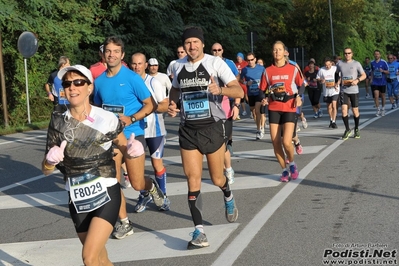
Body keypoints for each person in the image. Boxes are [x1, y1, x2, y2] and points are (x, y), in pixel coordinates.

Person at [42, 64, 146, 265]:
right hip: (77, 197)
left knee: (88, 258)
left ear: (89, 88)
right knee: (100, 258)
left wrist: (134, 151)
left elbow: (125, 148)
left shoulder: (106, 118)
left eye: (78, 82)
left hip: (106, 193)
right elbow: (45, 170)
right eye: (67, 83)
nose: (73, 87)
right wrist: (49, 161)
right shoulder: (58, 121)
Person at [168, 26, 242, 249]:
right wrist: (172, 104)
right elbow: (174, 90)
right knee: (193, 180)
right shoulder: (177, 65)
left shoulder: (215, 63)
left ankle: (227, 194)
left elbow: (239, 91)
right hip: (188, 129)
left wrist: (220, 90)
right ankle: (199, 231)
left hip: (212, 128)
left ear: (202, 43)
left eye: (195, 42)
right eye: (188, 43)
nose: (192, 46)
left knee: (217, 178)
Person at [93, 36, 165, 240]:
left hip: (134, 136)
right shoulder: (98, 82)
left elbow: (151, 104)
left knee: (136, 183)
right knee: (113, 183)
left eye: (116, 51)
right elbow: (98, 110)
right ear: (103, 54)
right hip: (112, 139)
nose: (112, 55)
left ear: (122, 55)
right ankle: (124, 223)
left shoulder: (132, 78)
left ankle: (151, 187)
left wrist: (131, 118)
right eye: (108, 51)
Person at [259, 40, 304, 182]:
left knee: (286, 141)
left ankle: (292, 163)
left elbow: (302, 85)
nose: (277, 52)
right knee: (275, 141)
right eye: (274, 49)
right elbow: (261, 91)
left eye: (279, 49)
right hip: (274, 108)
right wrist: (264, 99)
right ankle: (284, 170)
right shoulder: (267, 71)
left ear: (285, 52)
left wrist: (299, 96)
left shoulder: (293, 68)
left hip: (289, 107)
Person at [131, 53, 170, 212]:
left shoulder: (153, 82)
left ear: (145, 65)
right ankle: (144, 194)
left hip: (155, 130)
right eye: (134, 63)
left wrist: (148, 107)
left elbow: (164, 105)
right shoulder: (128, 82)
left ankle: (163, 196)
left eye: (140, 63)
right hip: (136, 131)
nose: (137, 66)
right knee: (137, 168)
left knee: (156, 164)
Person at [211, 42, 241, 184]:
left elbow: (237, 85)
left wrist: (236, 104)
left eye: (219, 50)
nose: (216, 52)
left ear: (222, 50)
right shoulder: (207, 64)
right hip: (210, 109)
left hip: (226, 105)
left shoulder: (228, 64)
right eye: (214, 50)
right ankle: (221, 169)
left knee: (223, 142)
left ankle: (228, 169)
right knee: (216, 144)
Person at [337, 47, 366, 140]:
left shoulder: (356, 64)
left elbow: (364, 75)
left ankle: (356, 128)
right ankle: (347, 129)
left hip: (354, 90)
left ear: (352, 54)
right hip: (344, 90)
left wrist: (357, 80)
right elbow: (336, 74)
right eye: (345, 53)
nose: (347, 55)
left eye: (349, 53)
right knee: (344, 110)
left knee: (355, 111)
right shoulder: (340, 64)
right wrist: (338, 81)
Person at [240, 52, 266, 139]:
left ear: (255, 59)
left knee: (258, 110)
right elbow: (239, 79)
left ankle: (259, 129)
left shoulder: (261, 68)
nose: (250, 62)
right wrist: (246, 82)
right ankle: (260, 125)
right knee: (253, 111)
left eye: (252, 60)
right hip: (251, 93)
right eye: (248, 60)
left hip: (260, 93)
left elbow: (267, 79)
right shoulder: (245, 69)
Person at [317, 57, 340, 128]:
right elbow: (317, 78)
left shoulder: (335, 68)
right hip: (326, 91)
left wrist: (337, 84)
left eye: (329, 64)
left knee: (334, 105)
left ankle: (334, 121)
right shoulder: (321, 70)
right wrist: (321, 80)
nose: (328, 66)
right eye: (326, 65)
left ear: (331, 63)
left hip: (335, 90)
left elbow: (340, 77)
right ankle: (331, 119)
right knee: (329, 107)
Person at [370, 49, 389, 116]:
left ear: (380, 55)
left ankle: (383, 109)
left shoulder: (383, 62)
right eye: (375, 54)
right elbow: (372, 71)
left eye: (378, 54)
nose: (376, 55)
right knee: (376, 96)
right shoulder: (372, 62)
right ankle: (378, 109)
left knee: (383, 96)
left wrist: (383, 71)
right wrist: (371, 79)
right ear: (374, 55)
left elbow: (388, 71)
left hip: (382, 82)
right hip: (375, 82)